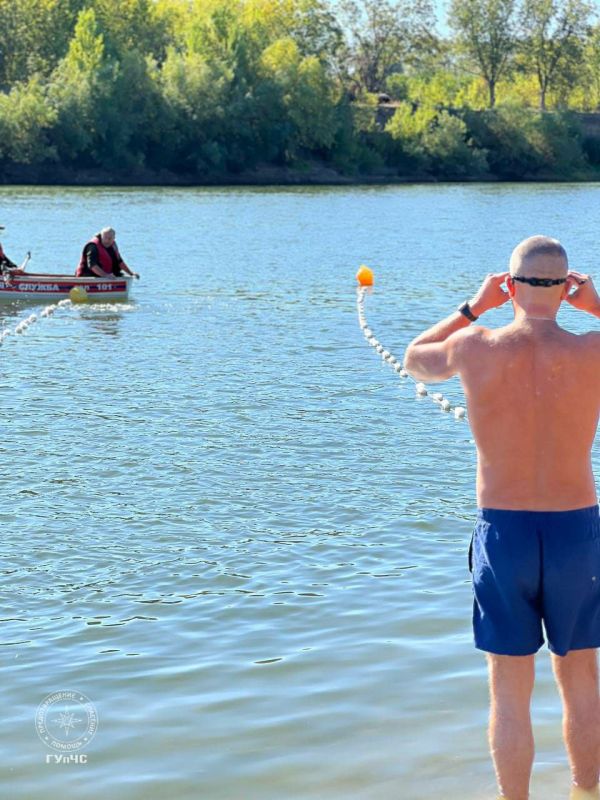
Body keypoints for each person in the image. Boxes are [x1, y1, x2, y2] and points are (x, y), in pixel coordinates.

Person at [404, 235, 600, 800]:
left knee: (509, 693)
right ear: (568, 289)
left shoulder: (473, 345)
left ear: (509, 286)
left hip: (504, 534)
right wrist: (594, 306)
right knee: (582, 683)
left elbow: (417, 355)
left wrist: (475, 304)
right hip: (576, 532)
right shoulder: (591, 351)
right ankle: (585, 791)